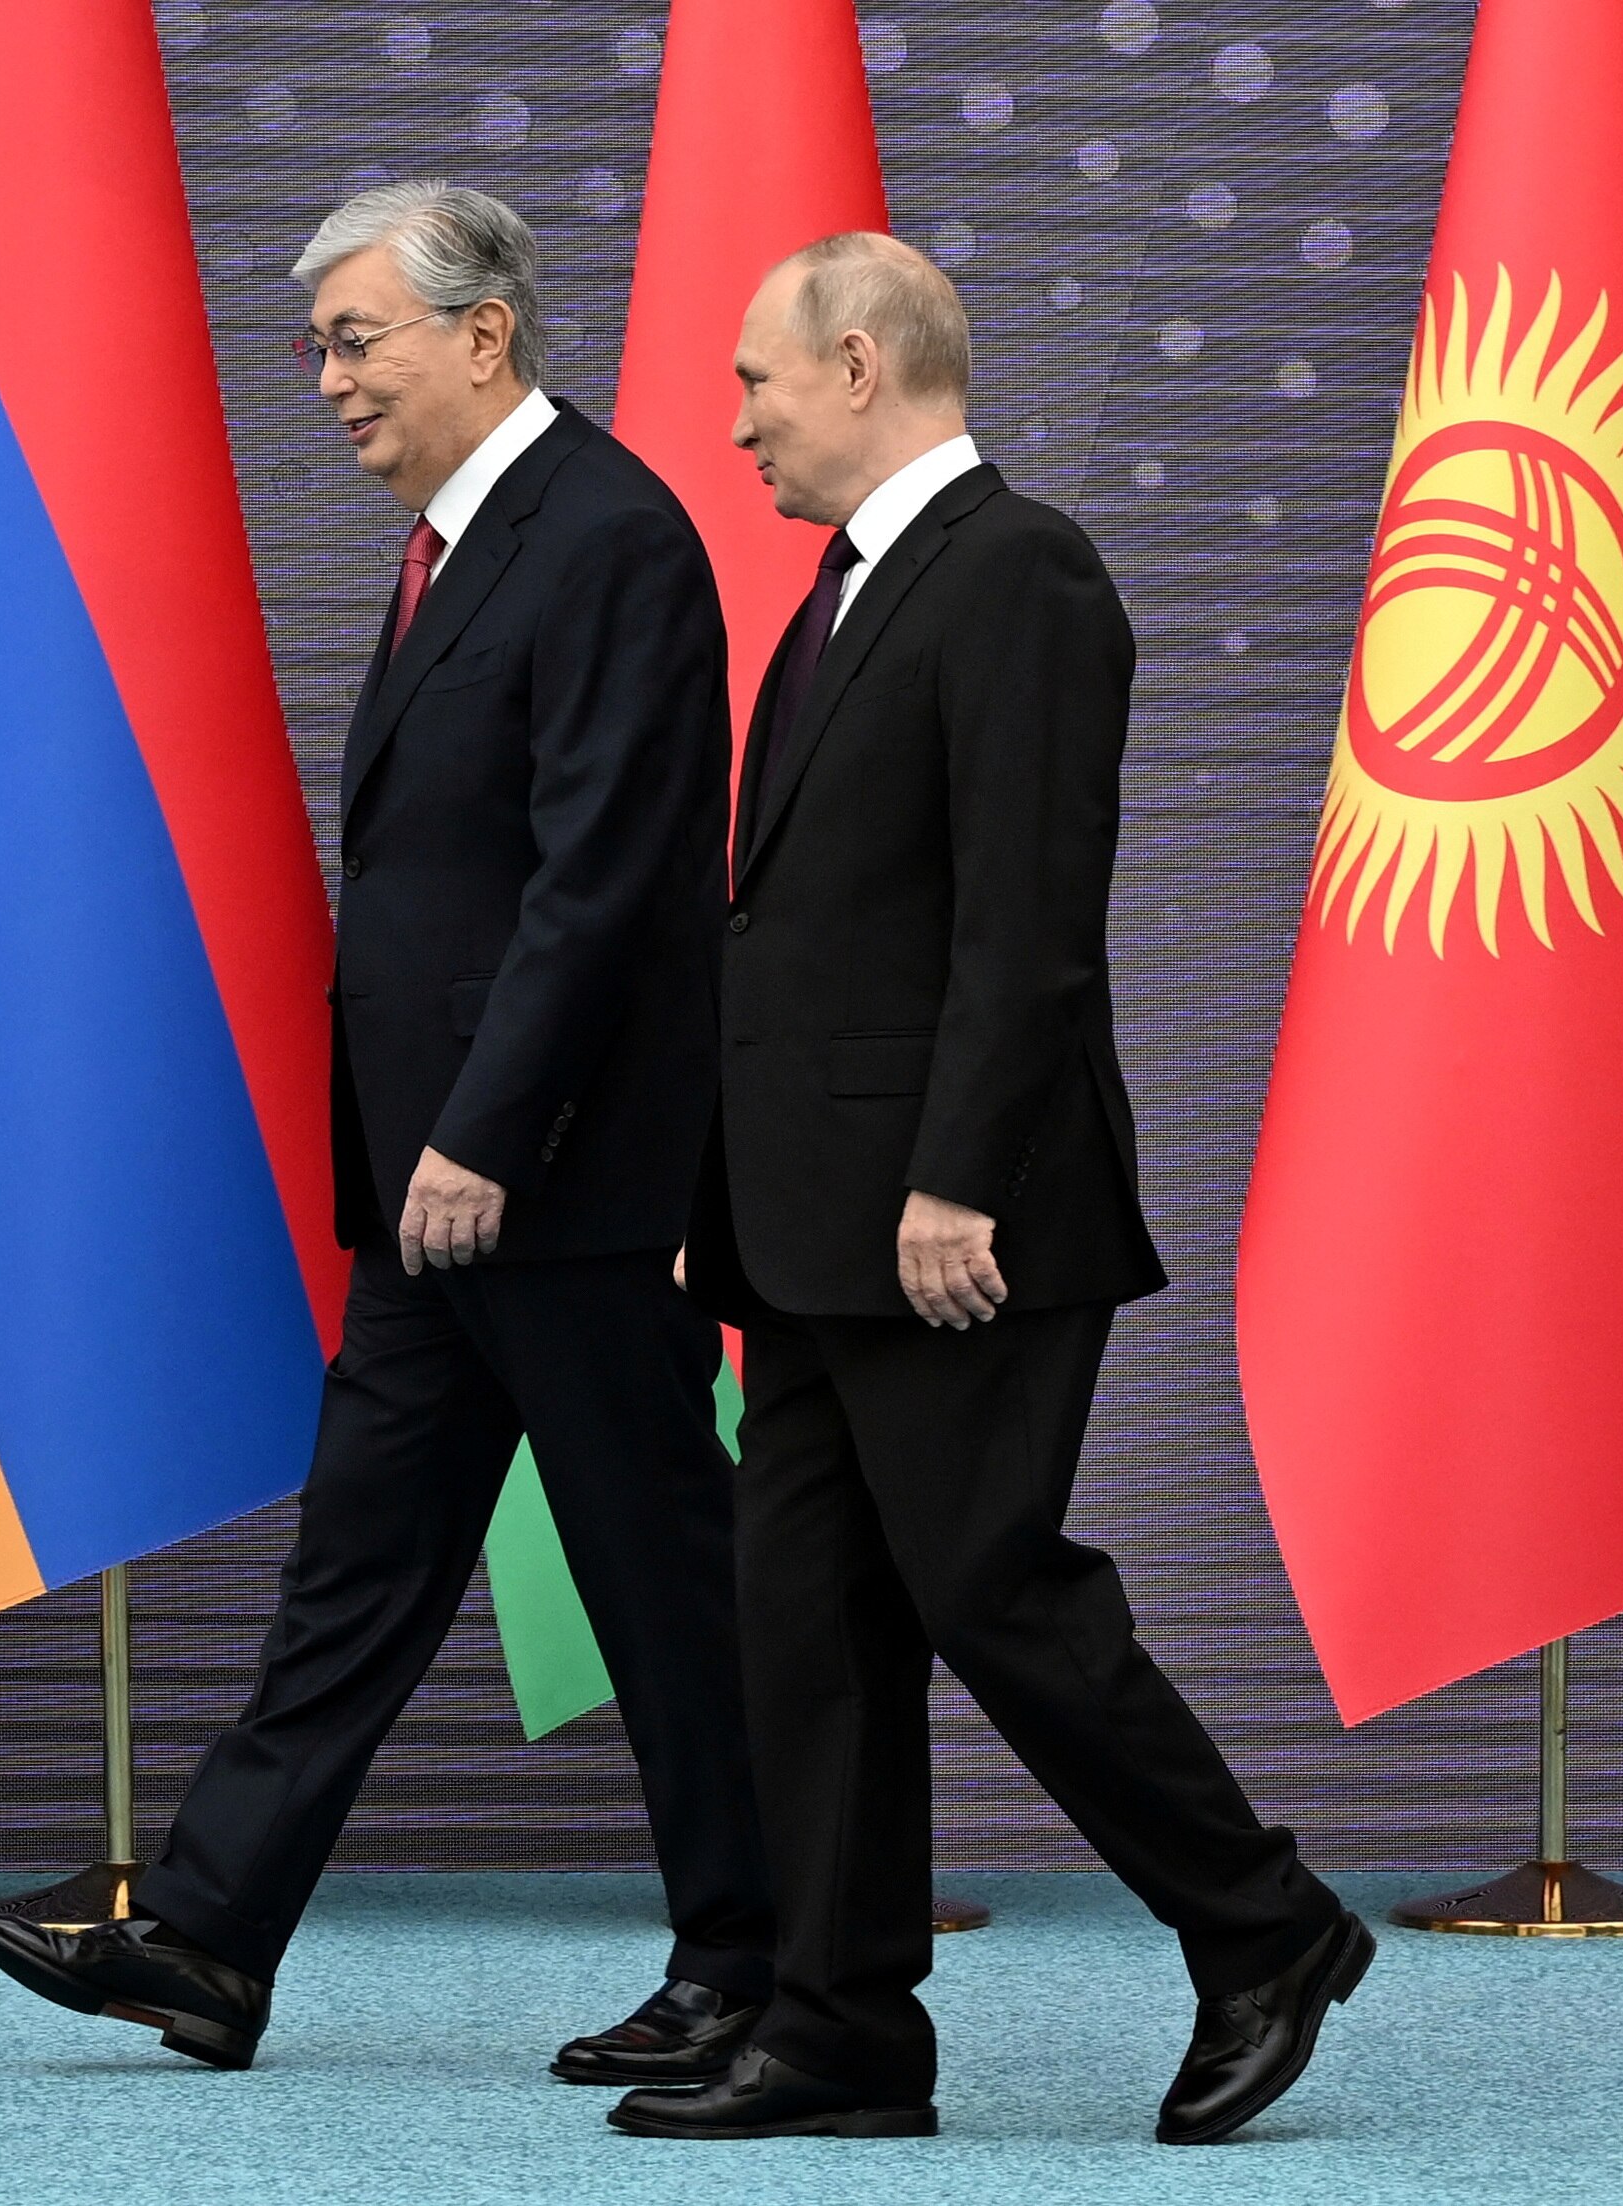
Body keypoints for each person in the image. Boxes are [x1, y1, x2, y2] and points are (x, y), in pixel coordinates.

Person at [0, 180, 772, 2083]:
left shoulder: (609, 535)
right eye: (315, 346)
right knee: (353, 1575)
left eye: (354, 339)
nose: (324, 382)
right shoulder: (456, 544)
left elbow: (601, 882)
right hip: (433, 1188)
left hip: (549, 1180)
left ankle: (755, 1962)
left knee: (664, 1589)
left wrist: (488, 1131)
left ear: (482, 335)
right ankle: (207, 1943)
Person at [616, 232, 1373, 2146]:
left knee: (989, 1589)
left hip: (955, 1223)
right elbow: (788, 934)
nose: (736, 425)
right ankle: (843, 2022)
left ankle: (1262, 1923)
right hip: (799, 1233)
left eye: (756, 385)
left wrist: (955, 1179)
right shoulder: (840, 592)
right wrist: (724, 1194)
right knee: (809, 1620)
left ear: (858, 365)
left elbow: (1026, 925)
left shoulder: (1019, 573)